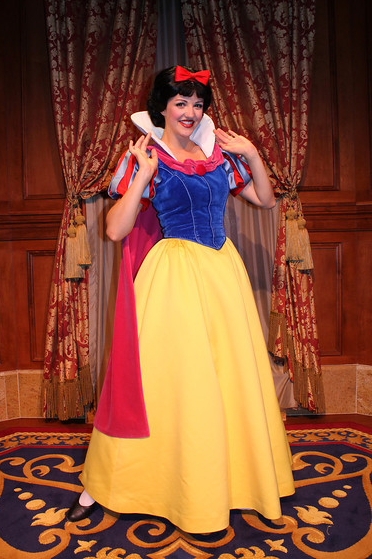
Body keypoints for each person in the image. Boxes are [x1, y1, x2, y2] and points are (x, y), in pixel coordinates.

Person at [66, 65, 295, 533]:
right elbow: (115, 230)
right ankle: (106, 486)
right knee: (161, 382)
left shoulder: (219, 156)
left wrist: (252, 153)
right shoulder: (145, 156)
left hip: (222, 274)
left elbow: (266, 199)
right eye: (181, 103)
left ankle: (227, 480)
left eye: (197, 104)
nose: (190, 112)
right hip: (174, 276)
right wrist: (143, 175)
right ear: (163, 107)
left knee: (227, 379)